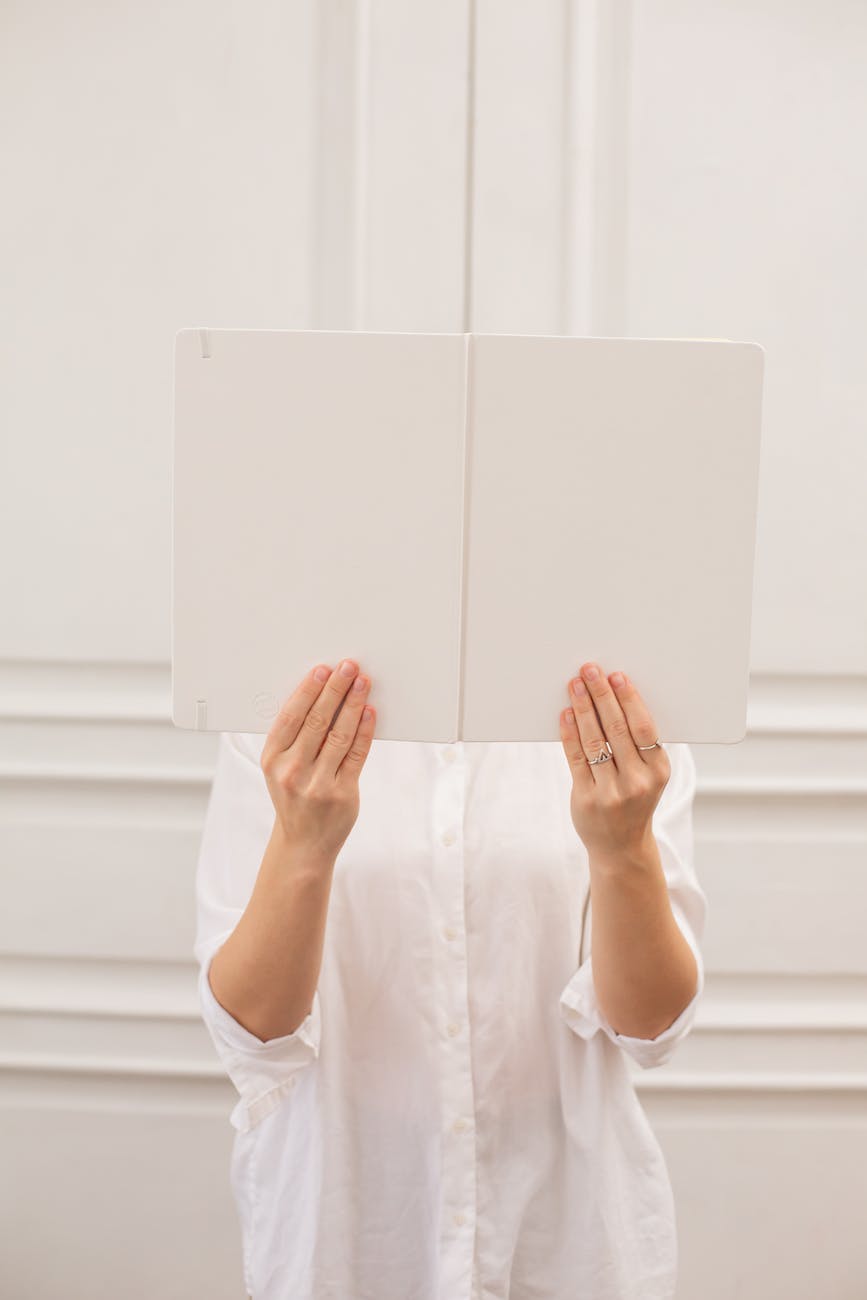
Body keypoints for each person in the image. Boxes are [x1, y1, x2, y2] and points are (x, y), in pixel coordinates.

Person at [194, 657, 706, 1300]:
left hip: (567, 1242)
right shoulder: (278, 716)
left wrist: (624, 848)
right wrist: (304, 843)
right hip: (346, 1235)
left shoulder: (622, 712)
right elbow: (253, 1031)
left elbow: (652, 1028)